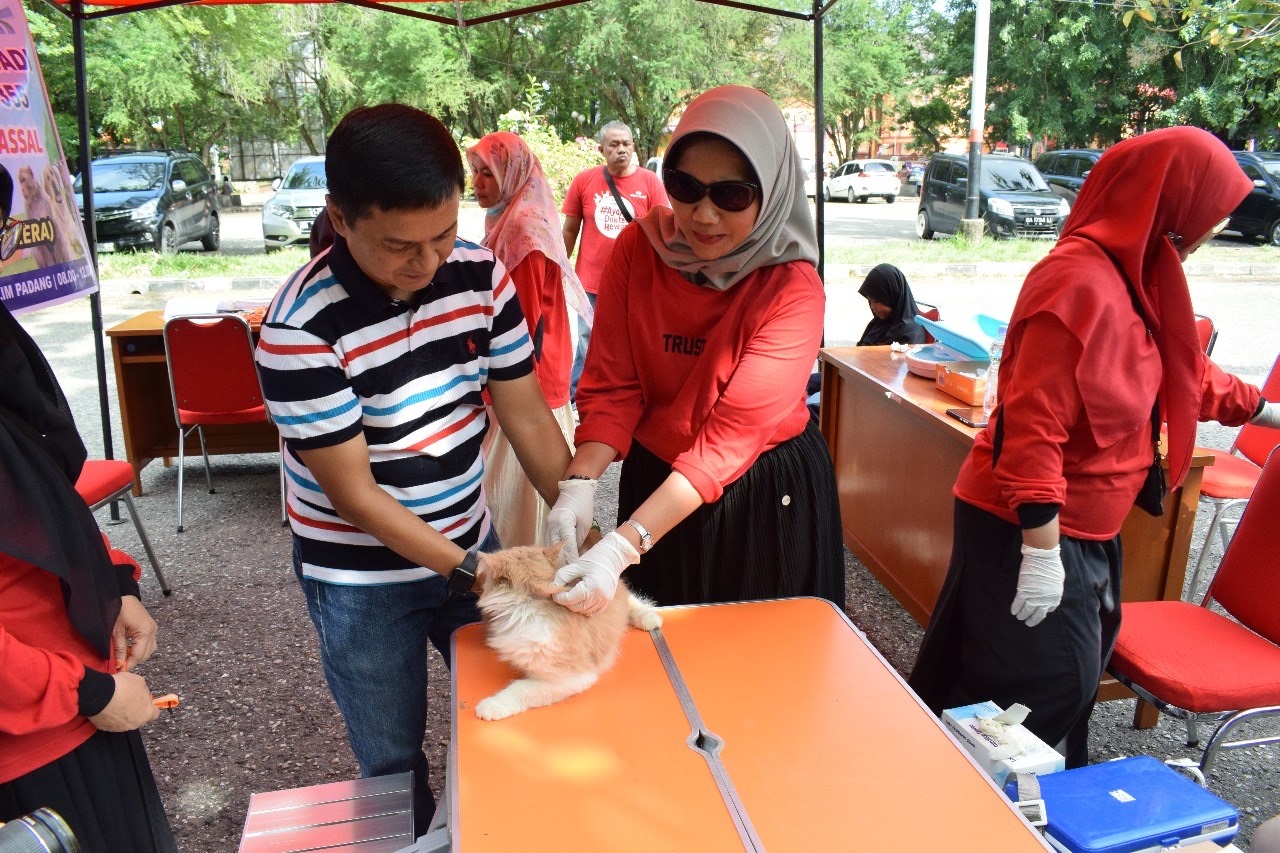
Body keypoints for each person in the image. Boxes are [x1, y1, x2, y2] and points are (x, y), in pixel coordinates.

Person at [907, 127, 1280, 769]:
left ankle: (1008, 794)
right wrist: (1040, 552)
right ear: (1165, 204)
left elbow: (1182, 373)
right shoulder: (1077, 281)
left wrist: (1266, 411)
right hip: (1030, 523)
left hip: (1083, 524)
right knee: (1040, 685)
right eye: (1207, 216)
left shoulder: (1140, 275)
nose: (1210, 233)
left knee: (1044, 679)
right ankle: (968, 794)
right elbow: (1032, 426)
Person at [255, 104, 573, 834]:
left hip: (470, 537)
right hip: (360, 579)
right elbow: (356, 496)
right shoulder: (299, 327)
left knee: (523, 711)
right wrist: (478, 571)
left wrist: (579, 523)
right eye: (400, 245)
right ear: (340, 217)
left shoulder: (478, 273)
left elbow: (527, 417)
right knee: (393, 760)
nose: (427, 264)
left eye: (443, 234)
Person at [544, 85, 845, 613]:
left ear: (771, 190)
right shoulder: (639, 249)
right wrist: (579, 483)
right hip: (658, 475)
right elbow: (613, 386)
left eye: (731, 195)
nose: (703, 215)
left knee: (758, 649)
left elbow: (728, 441)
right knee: (658, 643)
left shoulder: (792, 288)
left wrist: (621, 547)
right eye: (685, 187)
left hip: (759, 489)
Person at [1, 300, 177, 852]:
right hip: (28, 743)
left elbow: (38, 504)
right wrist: (87, 692)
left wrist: (115, 582)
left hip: (82, 703)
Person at [466, 132, 591, 547]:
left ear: (513, 174)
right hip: (524, 376)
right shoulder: (508, 218)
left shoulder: (522, 231)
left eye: (488, 173)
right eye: (475, 172)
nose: (477, 183)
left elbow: (518, 323)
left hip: (525, 382)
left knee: (515, 504)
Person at [561, 121, 668, 401]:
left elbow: (663, 232)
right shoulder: (584, 181)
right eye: (614, 144)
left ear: (633, 146)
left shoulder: (650, 182)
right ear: (601, 149)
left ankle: (625, 395)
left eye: (626, 144)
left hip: (636, 281)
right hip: (590, 282)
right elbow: (570, 229)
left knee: (632, 341)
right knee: (588, 340)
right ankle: (580, 395)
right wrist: (558, 268)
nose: (621, 149)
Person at [856, 263, 926, 346]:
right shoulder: (880, 324)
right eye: (870, 301)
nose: (872, 307)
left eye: (876, 301)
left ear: (893, 297)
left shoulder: (908, 337)